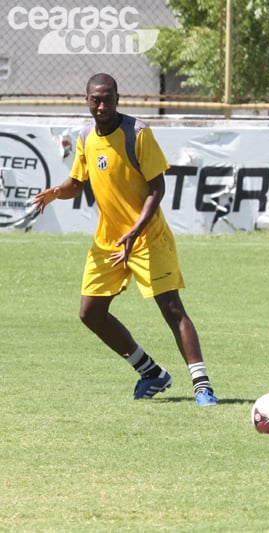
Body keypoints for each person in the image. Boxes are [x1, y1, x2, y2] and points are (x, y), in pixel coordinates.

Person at [32, 73, 218, 407]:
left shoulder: (138, 133)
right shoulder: (86, 136)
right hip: (109, 241)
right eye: (95, 99)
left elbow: (157, 188)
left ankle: (202, 386)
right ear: (86, 100)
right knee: (91, 313)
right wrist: (58, 191)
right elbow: (78, 181)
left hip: (147, 237)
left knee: (172, 309)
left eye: (107, 99)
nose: (101, 105)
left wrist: (135, 230)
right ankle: (151, 373)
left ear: (118, 98)